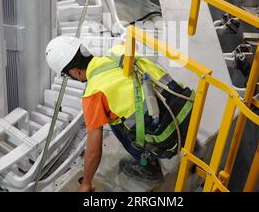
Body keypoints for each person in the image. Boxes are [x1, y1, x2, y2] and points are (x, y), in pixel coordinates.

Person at [45, 36, 192, 192]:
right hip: (187, 113)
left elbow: (94, 151)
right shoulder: (118, 51)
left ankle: (149, 167)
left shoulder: (93, 93)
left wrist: (86, 183)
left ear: (74, 72)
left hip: (170, 139)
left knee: (114, 121)